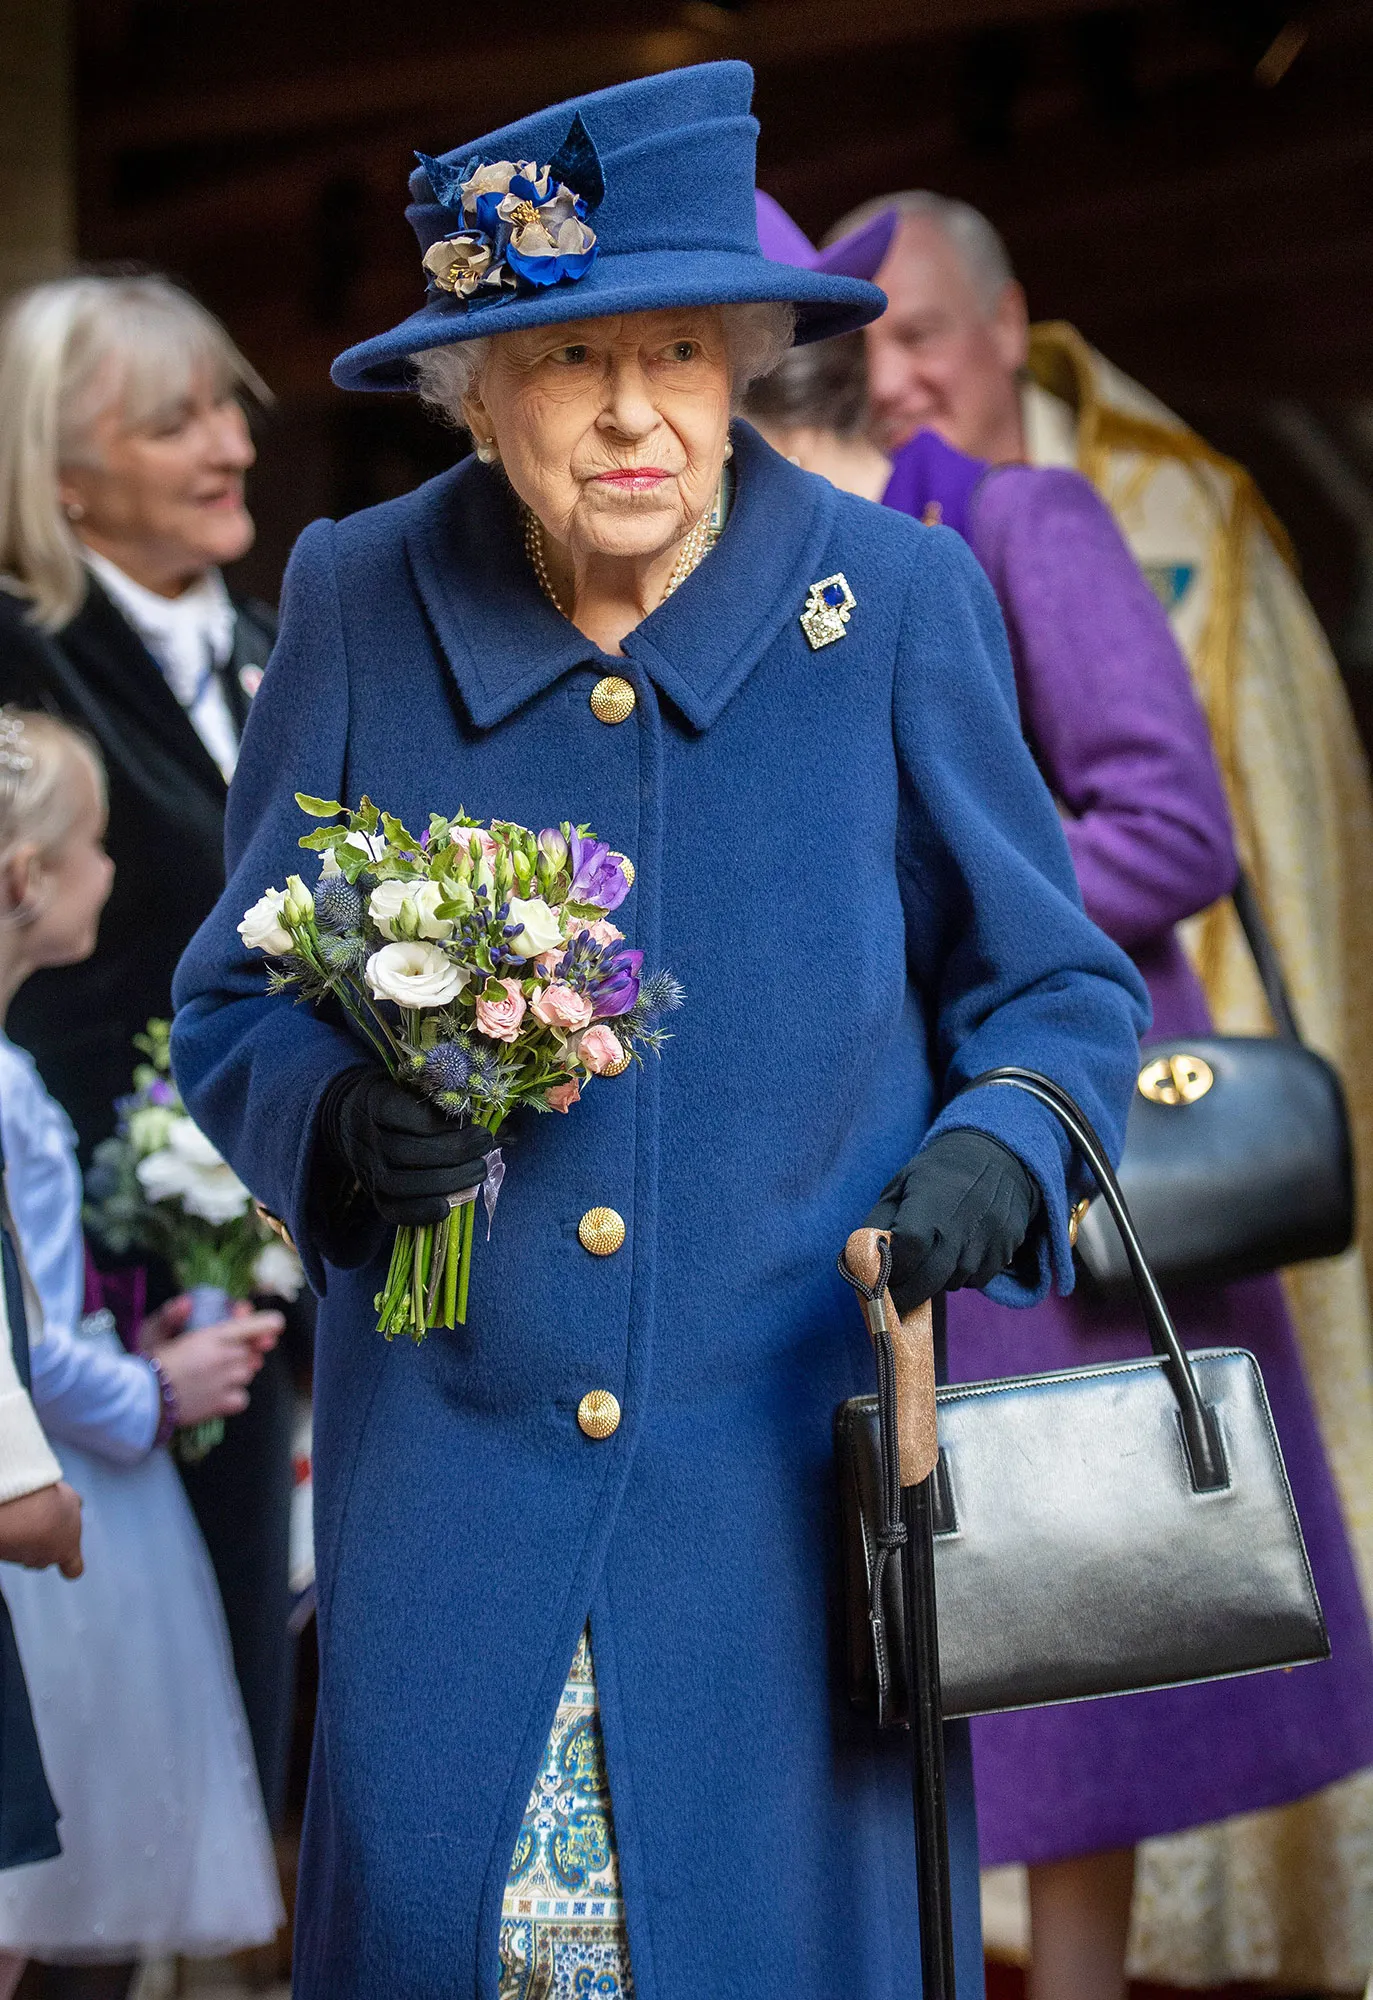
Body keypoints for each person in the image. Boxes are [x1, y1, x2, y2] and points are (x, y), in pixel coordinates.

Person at [171, 60, 1150, 2000]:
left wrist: (999, 1144)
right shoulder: (361, 596)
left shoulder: (892, 605)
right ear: (475, 390)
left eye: (680, 352)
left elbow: (1051, 982)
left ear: (740, 367)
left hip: (783, 1495)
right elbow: (234, 993)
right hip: (449, 1491)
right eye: (566, 361)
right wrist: (332, 1122)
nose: (631, 413)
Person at [746, 200, 1373, 2000]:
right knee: (896, 1658)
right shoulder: (784, 571)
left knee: (1072, 1659)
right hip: (876, 1156)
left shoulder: (1018, 521)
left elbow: (1175, 829)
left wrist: (934, 914)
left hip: (1052, 1142)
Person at [0, 275, 299, 1830]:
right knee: (100, 1755)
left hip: (295, 1251)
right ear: (60, 474)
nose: (229, 443)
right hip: (89, 1280)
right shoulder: (16, 664)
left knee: (247, 1700)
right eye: (173, 418)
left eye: (228, 404)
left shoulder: (284, 647)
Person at [0, 708, 284, 2000]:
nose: (119, 871)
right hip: (55, 1518)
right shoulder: (4, 1085)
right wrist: (156, 1387)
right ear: (25, 880)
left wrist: (139, 1338)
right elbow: (27, 1350)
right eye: (101, 844)